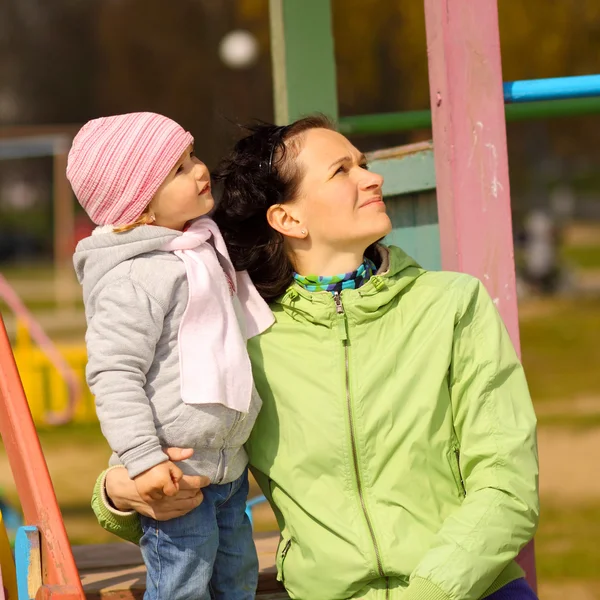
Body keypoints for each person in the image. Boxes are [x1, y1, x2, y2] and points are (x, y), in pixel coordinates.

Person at [91, 115, 539, 600]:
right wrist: (116, 495)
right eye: (341, 170)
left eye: (362, 164)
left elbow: (506, 486)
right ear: (288, 219)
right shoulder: (247, 335)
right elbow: (195, 467)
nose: (373, 177)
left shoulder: (453, 304)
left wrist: (429, 591)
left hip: (469, 591)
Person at [68, 112, 273, 600]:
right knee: (184, 582)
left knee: (238, 578)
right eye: (178, 170)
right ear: (139, 207)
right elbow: (115, 372)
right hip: (173, 472)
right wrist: (143, 458)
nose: (201, 170)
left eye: (193, 156)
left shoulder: (203, 249)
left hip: (225, 465)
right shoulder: (134, 278)